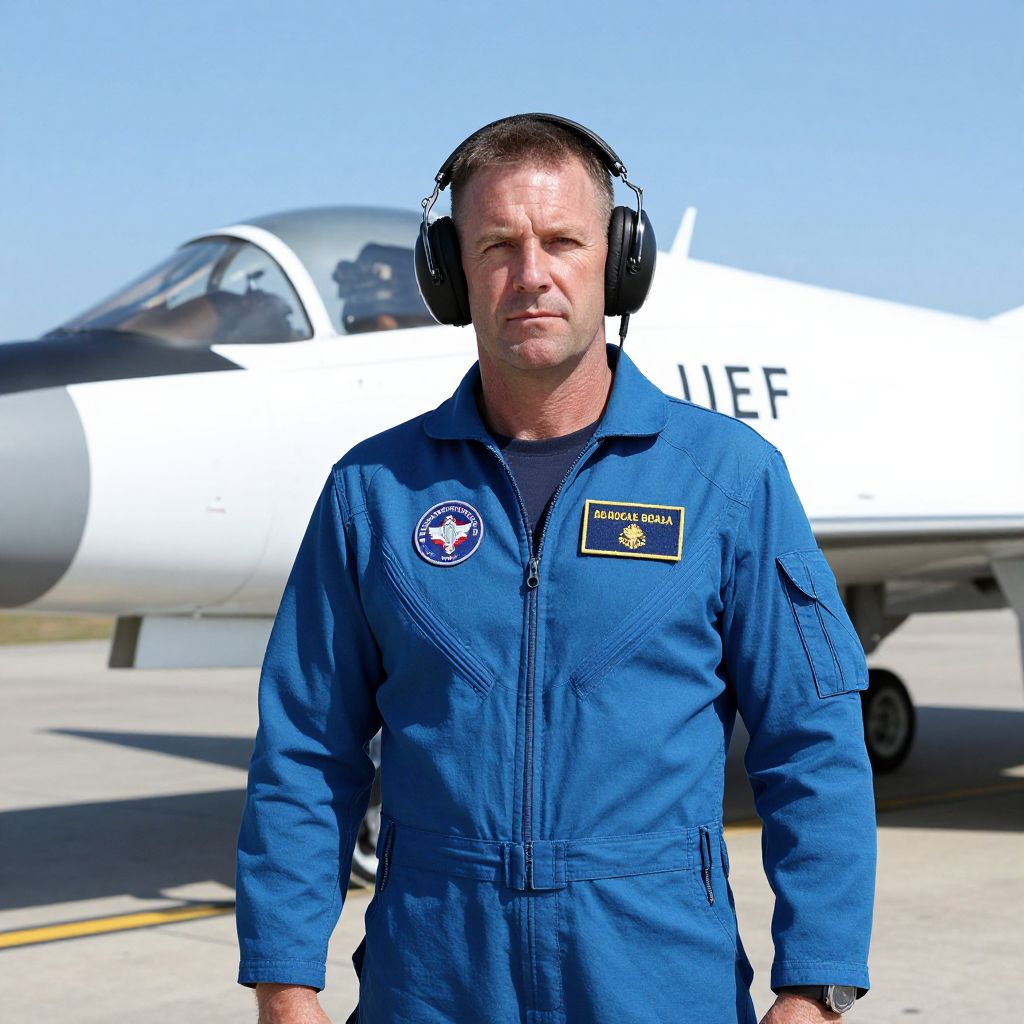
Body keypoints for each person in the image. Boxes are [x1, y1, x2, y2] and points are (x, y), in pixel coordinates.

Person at [235, 114, 876, 1024]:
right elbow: (304, 750)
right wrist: (284, 980)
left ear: (618, 262)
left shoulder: (729, 481)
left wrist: (817, 986)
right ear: (450, 272)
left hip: (660, 984)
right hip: (433, 986)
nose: (531, 274)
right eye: (496, 245)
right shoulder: (372, 493)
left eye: (563, 242)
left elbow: (813, 745)